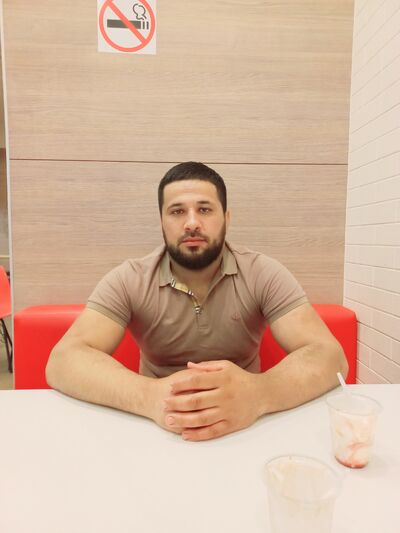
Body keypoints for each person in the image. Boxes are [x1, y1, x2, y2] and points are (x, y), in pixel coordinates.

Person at [46, 161, 348, 441]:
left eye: (204, 210)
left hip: (246, 424)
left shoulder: (263, 273)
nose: (192, 223)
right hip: (154, 425)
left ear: (226, 218)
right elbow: (63, 360)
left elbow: (330, 356)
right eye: (177, 212)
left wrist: (258, 394)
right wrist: (149, 396)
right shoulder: (129, 279)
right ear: (162, 221)